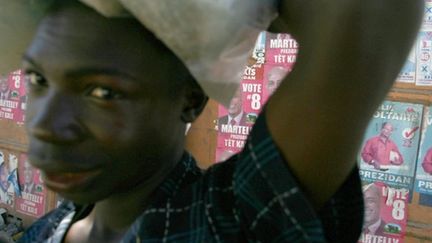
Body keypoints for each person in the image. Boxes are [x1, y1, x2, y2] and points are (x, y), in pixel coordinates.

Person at [16, 0, 422, 242]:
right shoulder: (51, 227)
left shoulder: (224, 221)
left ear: (191, 99)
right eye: (38, 79)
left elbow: (373, 11)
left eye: (103, 93)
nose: (45, 125)